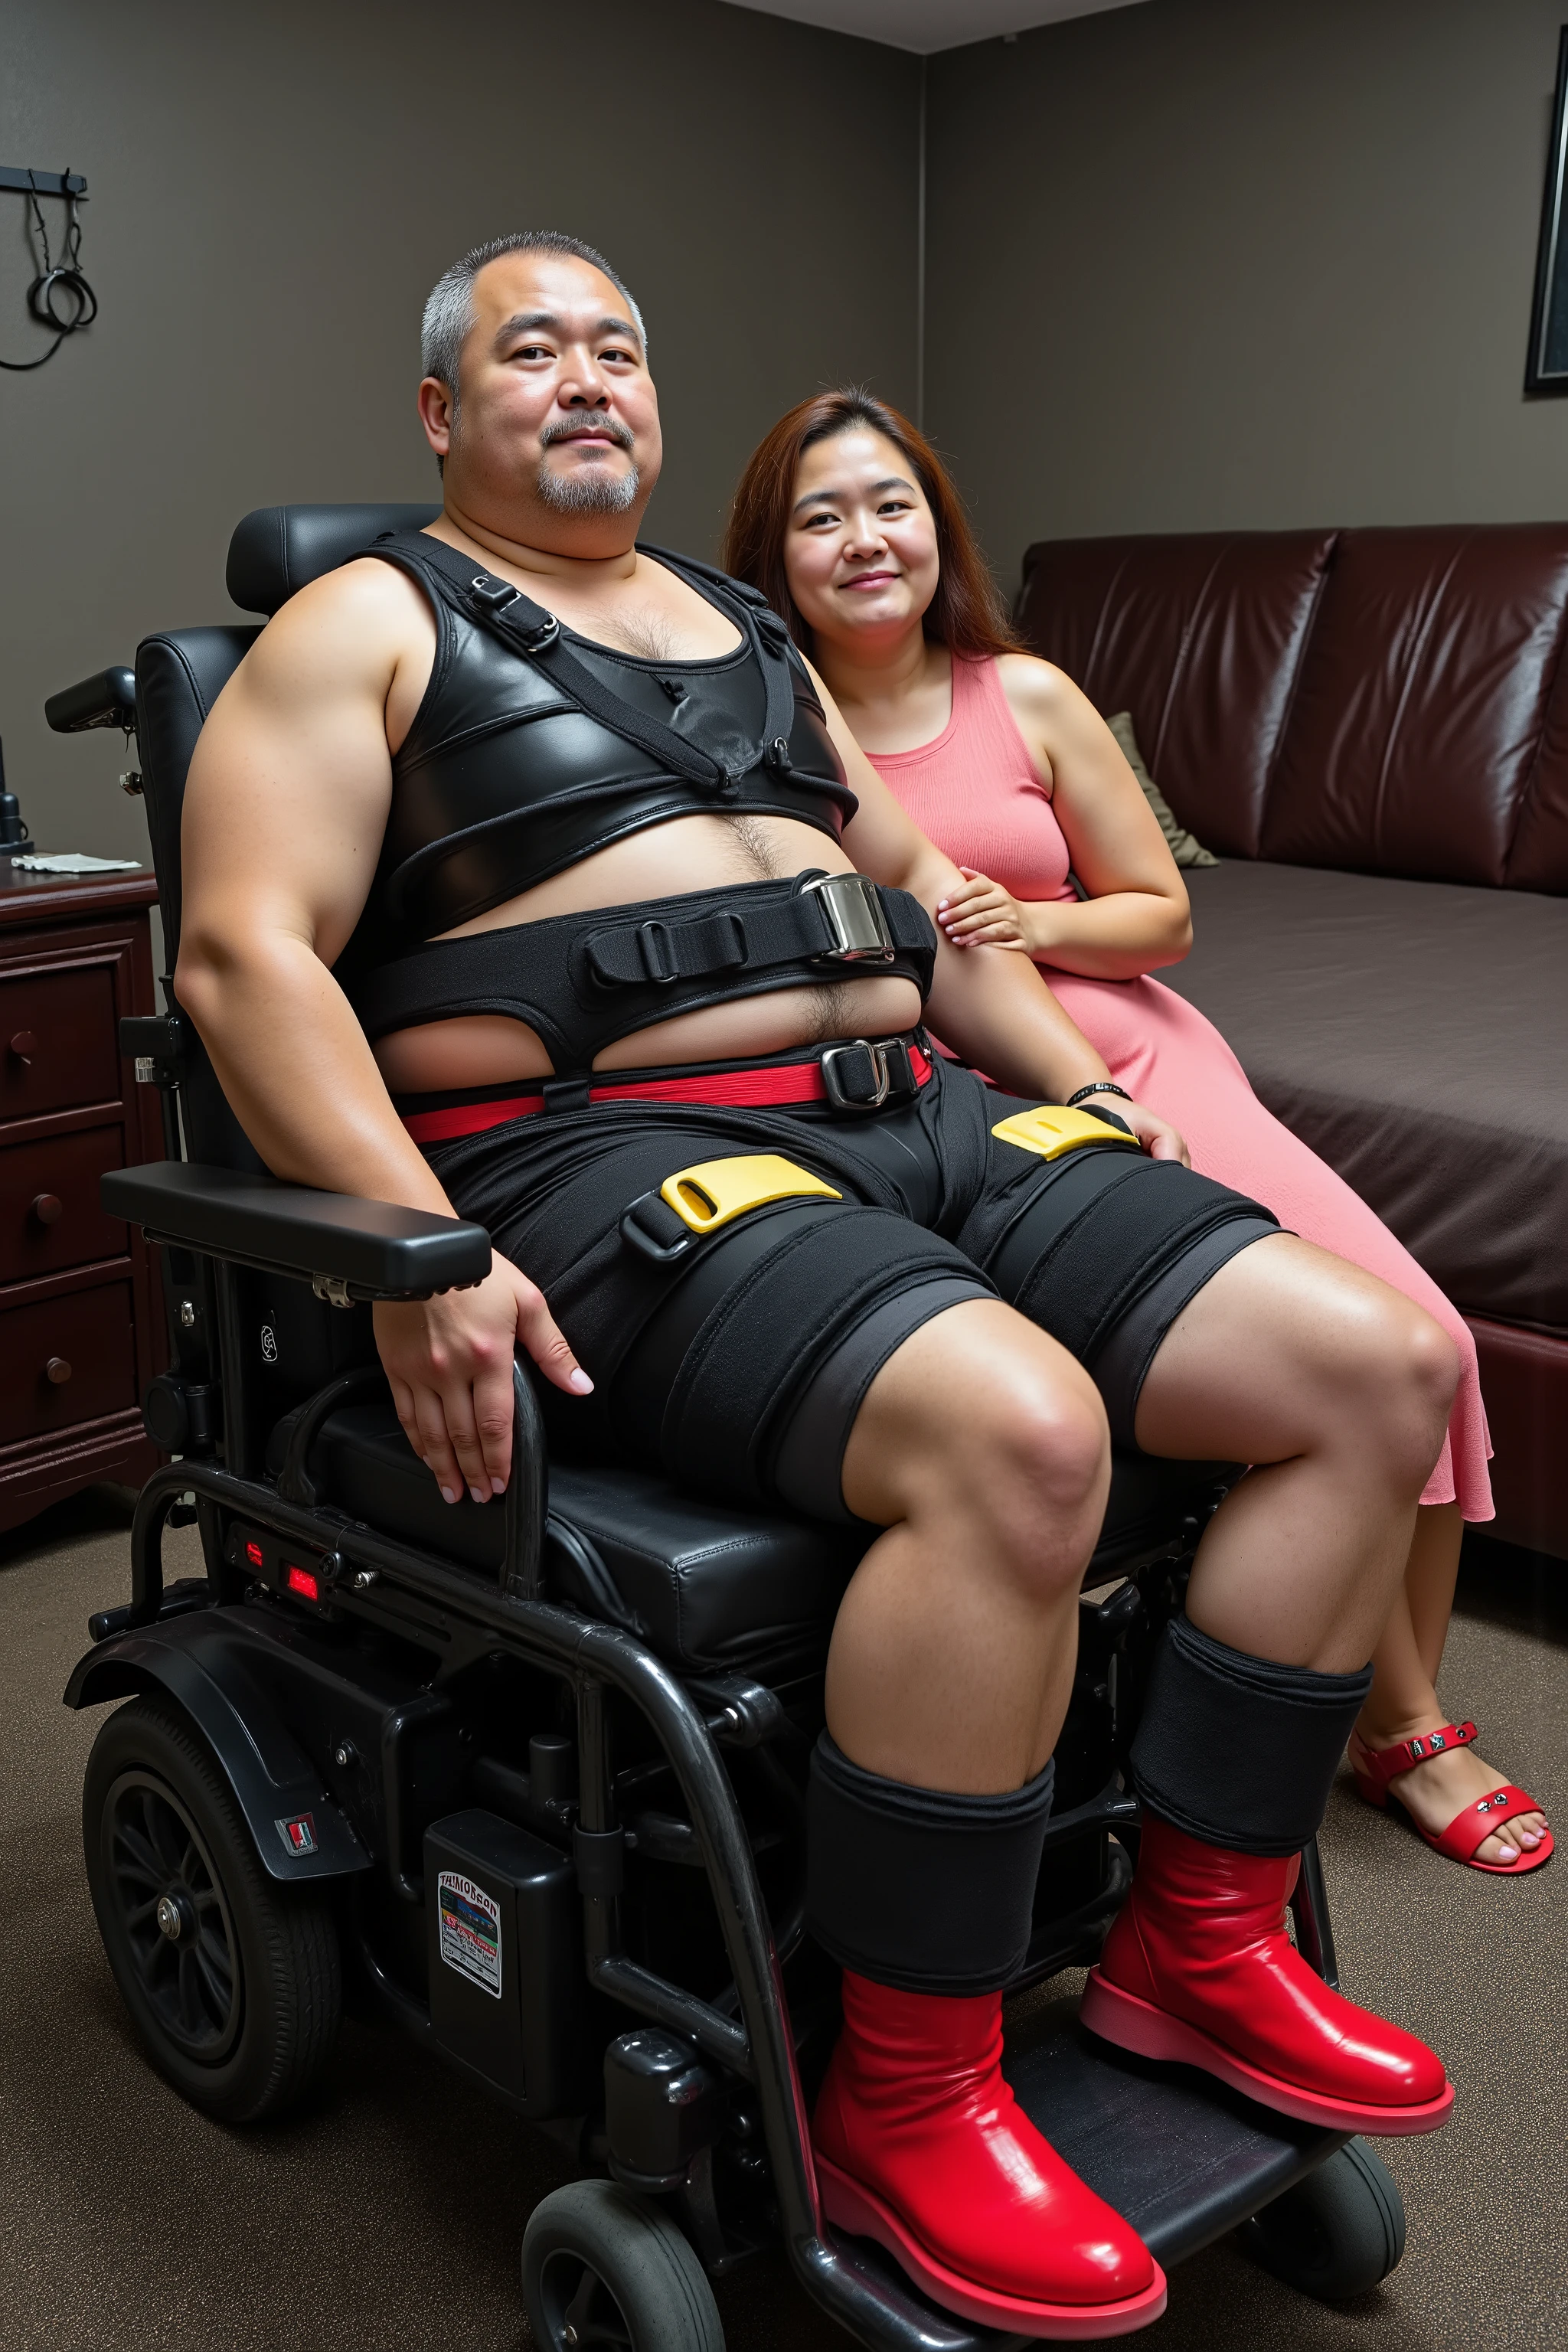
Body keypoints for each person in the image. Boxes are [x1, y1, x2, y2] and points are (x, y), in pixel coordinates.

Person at [177, 232, 1461, 2338]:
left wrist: (1078, 1098)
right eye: (533, 351)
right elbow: (247, 960)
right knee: (1028, 1439)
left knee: (1370, 1360)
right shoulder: (364, 625)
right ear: (440, 416)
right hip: (615, 1165)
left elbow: (931, 903)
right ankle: (911, 2089)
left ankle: (1197, 1943)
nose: (588, 377)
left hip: (920, 1111)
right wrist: (415, 1253)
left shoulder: (747, 628)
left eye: (620, 346)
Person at [724, 387, 1550, 1882]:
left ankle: (1392, 1719)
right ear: (772, 558)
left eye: (889, 505)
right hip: (943, 1096)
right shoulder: (771, 716)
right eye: (821, 516)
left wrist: (1024, 920)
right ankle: (1391, 1718)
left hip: (1123, 1050)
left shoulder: (1023, 694)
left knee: (1418, 1332)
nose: (864, 541)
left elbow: (1161, 912)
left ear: (937, 526)